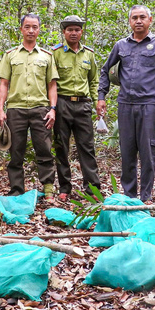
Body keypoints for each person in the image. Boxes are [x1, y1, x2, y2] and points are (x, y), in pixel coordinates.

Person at [97, 5, 155, 202]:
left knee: (148, 151)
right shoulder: (121, 45)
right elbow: (106, 70)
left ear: (150, 19)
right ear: (129, 21)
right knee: (127, 151)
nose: (138, 21)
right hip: (125, 104)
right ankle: (130, 196)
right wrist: (101, 96)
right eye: (134, 18)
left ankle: (145, 197)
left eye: (142, 17)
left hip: (149, 104)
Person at [0, 13, 59, 199]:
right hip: (16, 109)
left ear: (39, 29)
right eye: (27, 27)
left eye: (35, 27)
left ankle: (48, 189)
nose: (31, 30)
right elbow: (4, 84)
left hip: (41, 109)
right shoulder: (10, 55)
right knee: (15, 152)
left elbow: (51, 85)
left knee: (44, 149)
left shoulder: (47, 56)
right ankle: (17, 190)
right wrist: (0, 109)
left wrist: (53, 109)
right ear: (21, 29)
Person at [52, 15, 101, 202]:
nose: (73, 33)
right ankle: (64, 187)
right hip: (62, 103)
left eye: (77, 29)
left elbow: (94, 80)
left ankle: (92, 189)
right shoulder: (55, 53)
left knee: (87, 147)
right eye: (70, 29)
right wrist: (53, 107)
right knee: (61, 146)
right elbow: (52, 82)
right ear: (64, 32)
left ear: (81, 32)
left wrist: (97, 102)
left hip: (83, 104)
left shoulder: (88, 54)